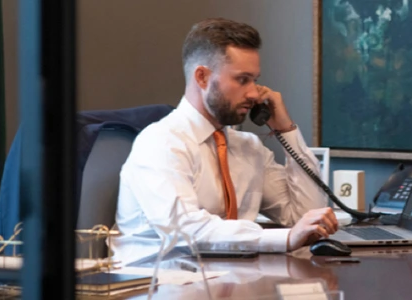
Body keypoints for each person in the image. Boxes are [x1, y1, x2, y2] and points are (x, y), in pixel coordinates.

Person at [113, 18, 339, 264]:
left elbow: (305, 217)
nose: (254, 93)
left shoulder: (248, 147)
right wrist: (283, 239)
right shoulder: (161, 144)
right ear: (202, 77)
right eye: (242, 80)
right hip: (160, 284)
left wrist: (286, 130)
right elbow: (187, 233)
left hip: (231, 279)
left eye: (255, 80)